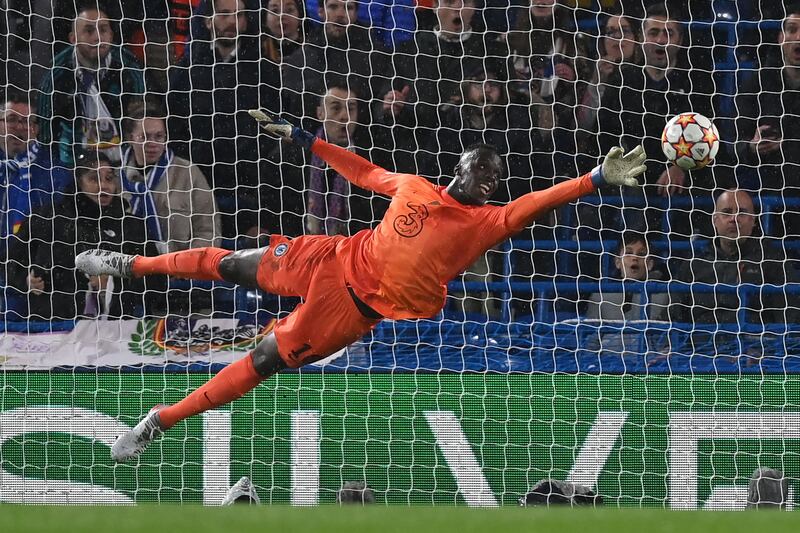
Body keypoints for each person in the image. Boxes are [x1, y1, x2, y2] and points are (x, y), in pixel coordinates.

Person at [74, 110, 646, 461]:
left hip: (347, 311)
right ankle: (130, 265)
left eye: (498, 180)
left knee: (263, 360)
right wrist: (308, 140)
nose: (494, 184)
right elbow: (364, 172)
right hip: (330, 256)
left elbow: (533, 203)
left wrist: (593, 178)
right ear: (464, 166)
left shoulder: (483, 223)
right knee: (230, 263)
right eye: (486, 172)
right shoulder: (417, 187)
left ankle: (158, 420)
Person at [6, 151, 157, 320]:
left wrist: (114, 284)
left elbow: (154, 278)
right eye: (94, 179)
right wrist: (27, 280)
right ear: (78, 182)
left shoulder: (132, 226)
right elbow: (9, 263)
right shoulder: (46, 219)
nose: (103, 186)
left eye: (109, 179)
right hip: (54, 331)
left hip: (117, 332)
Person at [167, 0, 265, 239]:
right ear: (207, 21)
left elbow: (270, 130)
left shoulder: (264, 70)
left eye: (239, 15)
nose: (232, 21)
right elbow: (175, 127)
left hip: (248, 187)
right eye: (224, 14)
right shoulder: (186, 70)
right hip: (196, 183)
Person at [263, 82, 387, 237]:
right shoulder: (293, 155)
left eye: (351, 108)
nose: (344, 116)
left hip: (352, 250)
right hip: (301, 247)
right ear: (320, 113)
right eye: (336, 108)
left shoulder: (371, 159)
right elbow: (276, 206)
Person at [36, 2, 146, 165]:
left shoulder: (130, 70)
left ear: (111, 35)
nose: (97, 37)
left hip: (121, 164)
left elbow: (141, 125)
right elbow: (46, 138)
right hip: (71, 167)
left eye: (103, 30)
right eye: (89, 31)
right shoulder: (55, 77)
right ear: (73, 39)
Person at [672, 189, 800, 326]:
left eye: (742, 212)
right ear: (715, 220)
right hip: (700, 344)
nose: (734, 219)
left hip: (756, 344)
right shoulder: (694, 264)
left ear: (753, 221)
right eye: (727, 212)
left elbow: (788, 321)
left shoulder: (773, 263)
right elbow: (673, 316)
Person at [735, 2, 800, 238]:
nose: (798, 38)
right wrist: (753, 147)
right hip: (765, 189)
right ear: (781, 37)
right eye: (792, 29)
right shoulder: (758, 82)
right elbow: (735, 143)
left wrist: (788, 146)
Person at [120, 99, 220, 253]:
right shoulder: (113, 177)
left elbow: (208, 229)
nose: (152, 143)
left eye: (159, 136)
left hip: (177, 271)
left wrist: (188, 264)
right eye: (144, 137)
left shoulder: (188, 173)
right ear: (130, 138)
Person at [584, 232, 668, 322]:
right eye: (628, 253)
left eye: (641, 254)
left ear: (650, 264)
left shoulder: (662, 297)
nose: (634, 257)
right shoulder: (600, 297)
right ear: (618, 262)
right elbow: (590, 332)